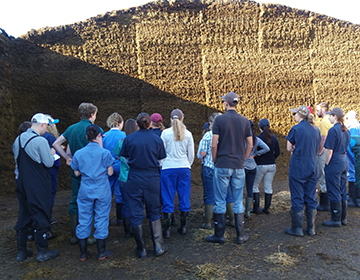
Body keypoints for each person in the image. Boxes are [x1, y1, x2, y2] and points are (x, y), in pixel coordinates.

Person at [206, 92, 253, 245]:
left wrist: (215, 160)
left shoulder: (219, 120)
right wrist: (242, 159)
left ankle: (219, 236)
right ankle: (240, 236)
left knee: (220, 200)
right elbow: (250, 145)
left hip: (222, 165)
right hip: (238, 166)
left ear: (226, 104)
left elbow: (214, 144)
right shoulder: (245, 121)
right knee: (238, 200)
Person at [120, 113, 168, 258]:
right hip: (152, 177)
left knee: (136, 212)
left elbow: (126, 158)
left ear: (136, 124)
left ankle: (141, 249)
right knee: (154, 211)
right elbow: (161, 161)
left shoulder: (129, 139)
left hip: (134, 177)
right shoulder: (156, 139)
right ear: (149, 124)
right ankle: (159, 247)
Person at [13, 113, 59, 262]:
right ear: (43, 125)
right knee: (40, 214)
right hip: (37, 185)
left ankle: (22, 251)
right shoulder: (40, 141)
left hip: (22, 183)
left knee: (24, 214)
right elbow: (48, 163)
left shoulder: (18, 139)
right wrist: (52, 154)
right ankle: (43, 251)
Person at [53, 102, 99, 245]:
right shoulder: (95, 129)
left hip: (76, 170)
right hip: (91, 172)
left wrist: (67, 158)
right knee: (91, 201)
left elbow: (55, 144)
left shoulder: (71, 129)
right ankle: (90, 236)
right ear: (92, 114)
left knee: (75, 200)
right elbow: (99, 150)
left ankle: (74, 236)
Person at [70, 124, 114, 261]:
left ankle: (83, 253)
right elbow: (110, 172)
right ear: (99, 136)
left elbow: (76, 173)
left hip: (85, 189)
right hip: (102, 189)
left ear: (86, 137)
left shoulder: (78, 153)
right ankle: (101, 252)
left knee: (83, 219)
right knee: (101, 217)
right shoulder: (105, 153)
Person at [285, 106, 321, 236]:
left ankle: (297, 229)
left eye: (294, 113)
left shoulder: (296, 128)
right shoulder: (315, 129)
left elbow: (288, 147)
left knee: (297, 195)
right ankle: (311, 229)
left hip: (299, 166)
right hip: (312, 165)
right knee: (311, 196)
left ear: (300, 115)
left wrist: (295, 147)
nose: (293, 115)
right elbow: (318, 146)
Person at [161, 109, 195, 238]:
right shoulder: (188, 134)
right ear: (183, 118)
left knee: (167, 196)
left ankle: (167, 229)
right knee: (184, 195)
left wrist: (162, 164)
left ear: (170, 119)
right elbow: (191, 154)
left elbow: (161, 152)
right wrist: (188, 164)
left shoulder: (165, 133)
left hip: (168, 167)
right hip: (183, 167)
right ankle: (183, 227)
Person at [322, 108, 350, 227]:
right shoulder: (346, 130)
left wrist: (326, 164)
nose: (329, 117)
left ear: (335, 116)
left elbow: (329, 150)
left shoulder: (333, 130)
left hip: (335, 162)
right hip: (344, 161)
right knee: (342, 189)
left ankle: (335, 219)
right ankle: (343, 219)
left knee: (333, 190)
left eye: (330, 116)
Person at [113, 118, 138, 238]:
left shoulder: (122, 142)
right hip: (135, 177)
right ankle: (136, 228)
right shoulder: (138, 142)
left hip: (124, 177)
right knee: (136, 204)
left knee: (126, 204)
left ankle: (127, 231)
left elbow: (118, 156)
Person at [197, 113, 222, 229]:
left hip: (209, 167)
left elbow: (201, 154)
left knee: (209, 195)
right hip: (223, 167)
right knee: (224, 195)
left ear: (211, 123)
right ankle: (227, 219)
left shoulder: (207, 135)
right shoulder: (226, 134)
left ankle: (207, 223)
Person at [251, 119, 280, 216]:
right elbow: (278, 152)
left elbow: (254, 151)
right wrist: (272, 158)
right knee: (268, 186)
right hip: (272, 165)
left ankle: (256, 208)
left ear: (260, 127)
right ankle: (267, 208)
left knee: (255, 186)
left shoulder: (258, 138)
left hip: (260, 165)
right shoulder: (274, 138)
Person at [102, 113, 126, 225]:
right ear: (120, 123)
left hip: (108, 167)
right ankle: (120, 218)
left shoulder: (104, 136)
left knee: (107, 192)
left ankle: (105, 218)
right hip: (120, 166)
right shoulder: (123, 135)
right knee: (120, 192)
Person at [244, 120, 270, 218]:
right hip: (252, 166)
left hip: (242, 166)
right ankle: (247, 212)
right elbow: (267, 148)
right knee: (250, 189)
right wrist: (255, 154)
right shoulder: (256, 139)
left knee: (237, 188)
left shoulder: (243, 138)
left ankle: (237, 211)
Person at [43, 115, 60, 227]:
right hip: (51, 171)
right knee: (50, 194)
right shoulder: (51, 138)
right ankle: (47, 219)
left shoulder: (39, 137)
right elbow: (54, 159)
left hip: (41, 172)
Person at [316, 102, 333, 211]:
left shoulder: (323, 122)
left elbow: (323, 138)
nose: (316, 112)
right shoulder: (331, 121)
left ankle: (324, 204)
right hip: (331, 151)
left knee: (322, 175)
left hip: (324, 151)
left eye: (317, 110)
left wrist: (319, 151)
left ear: (323, 110)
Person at [345, 111, 360, 208]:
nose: (345, 120)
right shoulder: (356, 126)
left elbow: (352, 143)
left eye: (347, 118)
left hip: (353, 155)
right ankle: (353, 197)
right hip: (354, 155)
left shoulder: (354, 127)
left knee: (353, 174)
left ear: (351, 118)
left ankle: (354, 198)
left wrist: (350, 156)